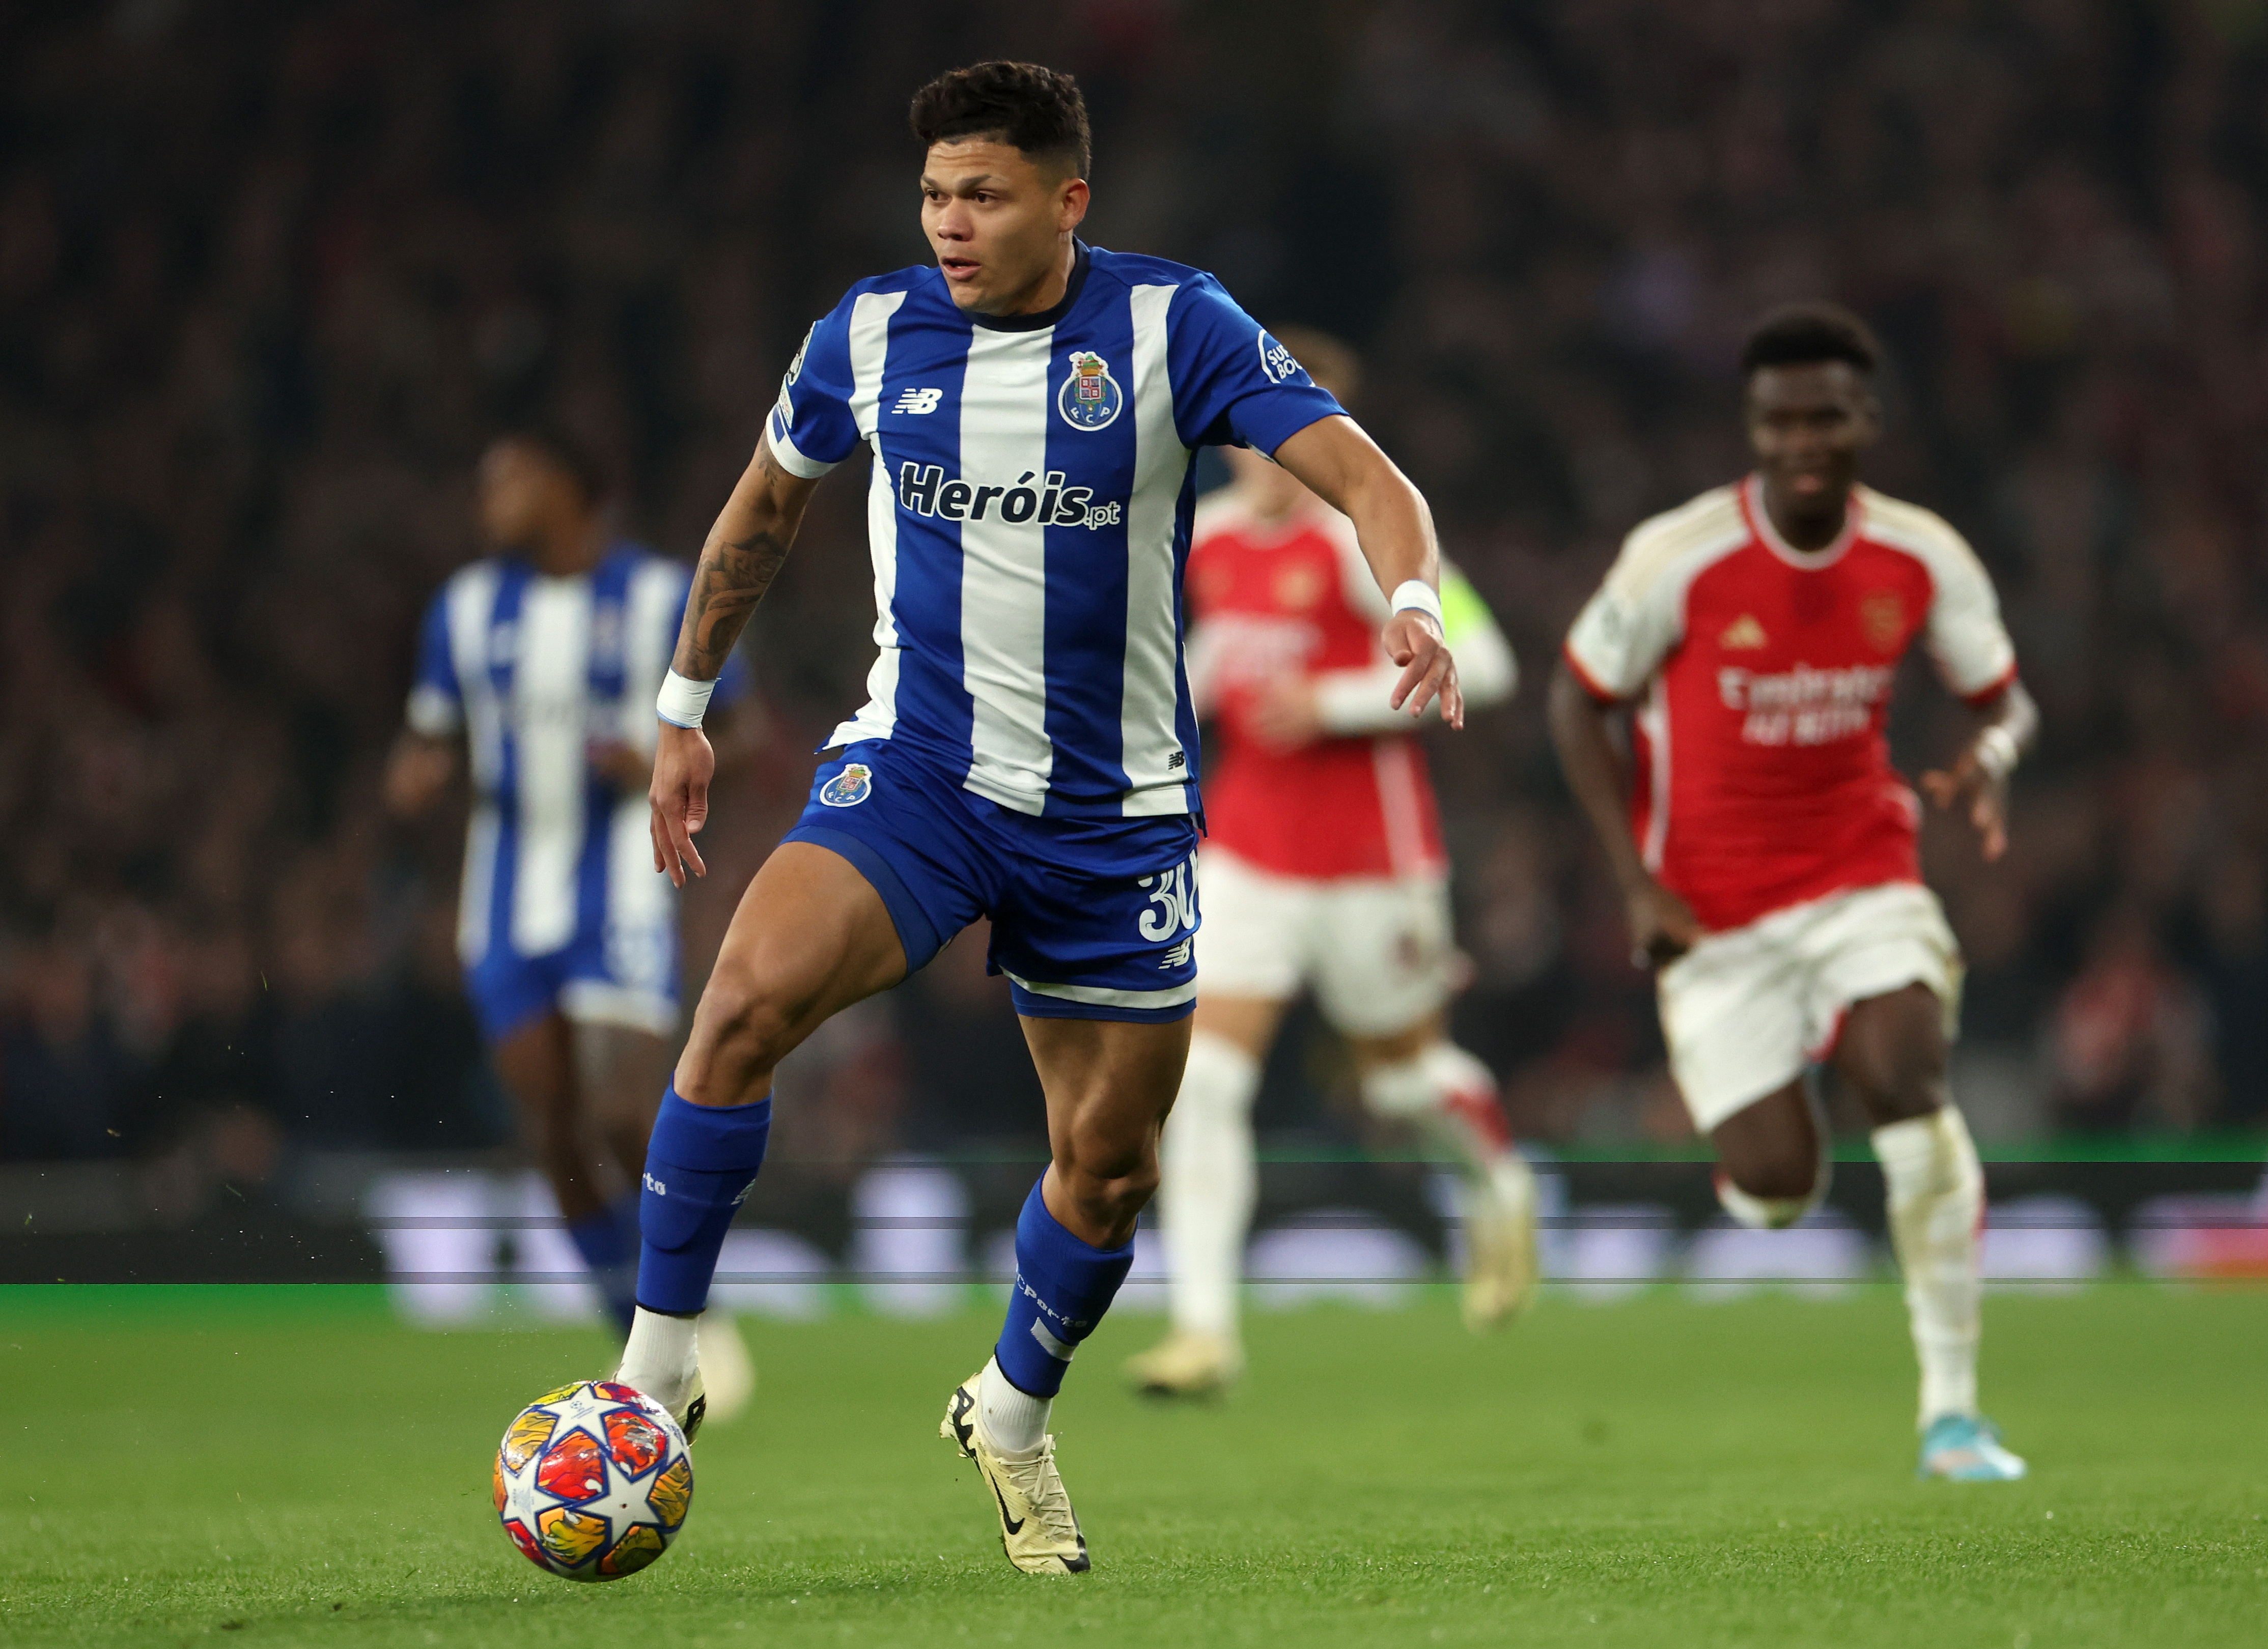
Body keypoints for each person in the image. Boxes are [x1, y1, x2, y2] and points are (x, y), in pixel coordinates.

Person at [601, 61, 1463, 1576]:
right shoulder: (866, 333)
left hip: (1113, 820)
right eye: (933, 192)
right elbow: (762, 507)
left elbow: (1364, 476)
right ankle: (655, 1375)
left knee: (1110, 1167)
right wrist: (682, 706)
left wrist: (1406, 600)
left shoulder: (1170, 323)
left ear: (1069, 201)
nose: (948, 222)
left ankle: (1008, 1412)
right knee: (737, 1007)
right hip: (919, 774)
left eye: (983, 194)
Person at [1547, 303, 2039, 1483]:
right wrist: (1636, 887)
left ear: (1866, 419)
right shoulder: (1680, 557)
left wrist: (1991, 758)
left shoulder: (1920, 556)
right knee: (1775, 1186)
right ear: (1752, 428)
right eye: (1779, 420)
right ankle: (1764, 1152)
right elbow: (1579, 701)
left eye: (1826, 415)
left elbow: (2005, 699)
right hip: (1713, 913)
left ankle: (1952, 1415)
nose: (1803, 440)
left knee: (1903, 1075)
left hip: (1861, 869)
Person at [1121, 330, 1531, 1399]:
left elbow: (1485, 664)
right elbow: (1202, 655)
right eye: (1249, 428)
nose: (1264, 450)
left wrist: (1335, 702)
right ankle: (1204, 1332)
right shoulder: (1201, 539)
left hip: (1369, 859)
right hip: (1248, 855)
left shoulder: (1367, 541)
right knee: (1201, 1082)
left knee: (1400, 1085)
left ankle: (1494, 1181)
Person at [386, 432, 756, 1408]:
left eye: (510, 477)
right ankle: (635, 1341)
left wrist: (650, 764)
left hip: (623, 884)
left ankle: (686, 1312)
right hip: (504, 895)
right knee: (551, 1130)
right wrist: (415, 775)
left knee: (623, 1112)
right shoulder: (465, 610)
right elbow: (429, 733)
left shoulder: (659, 596)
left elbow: (749, 729)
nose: (491, 495)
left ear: (571, 485)